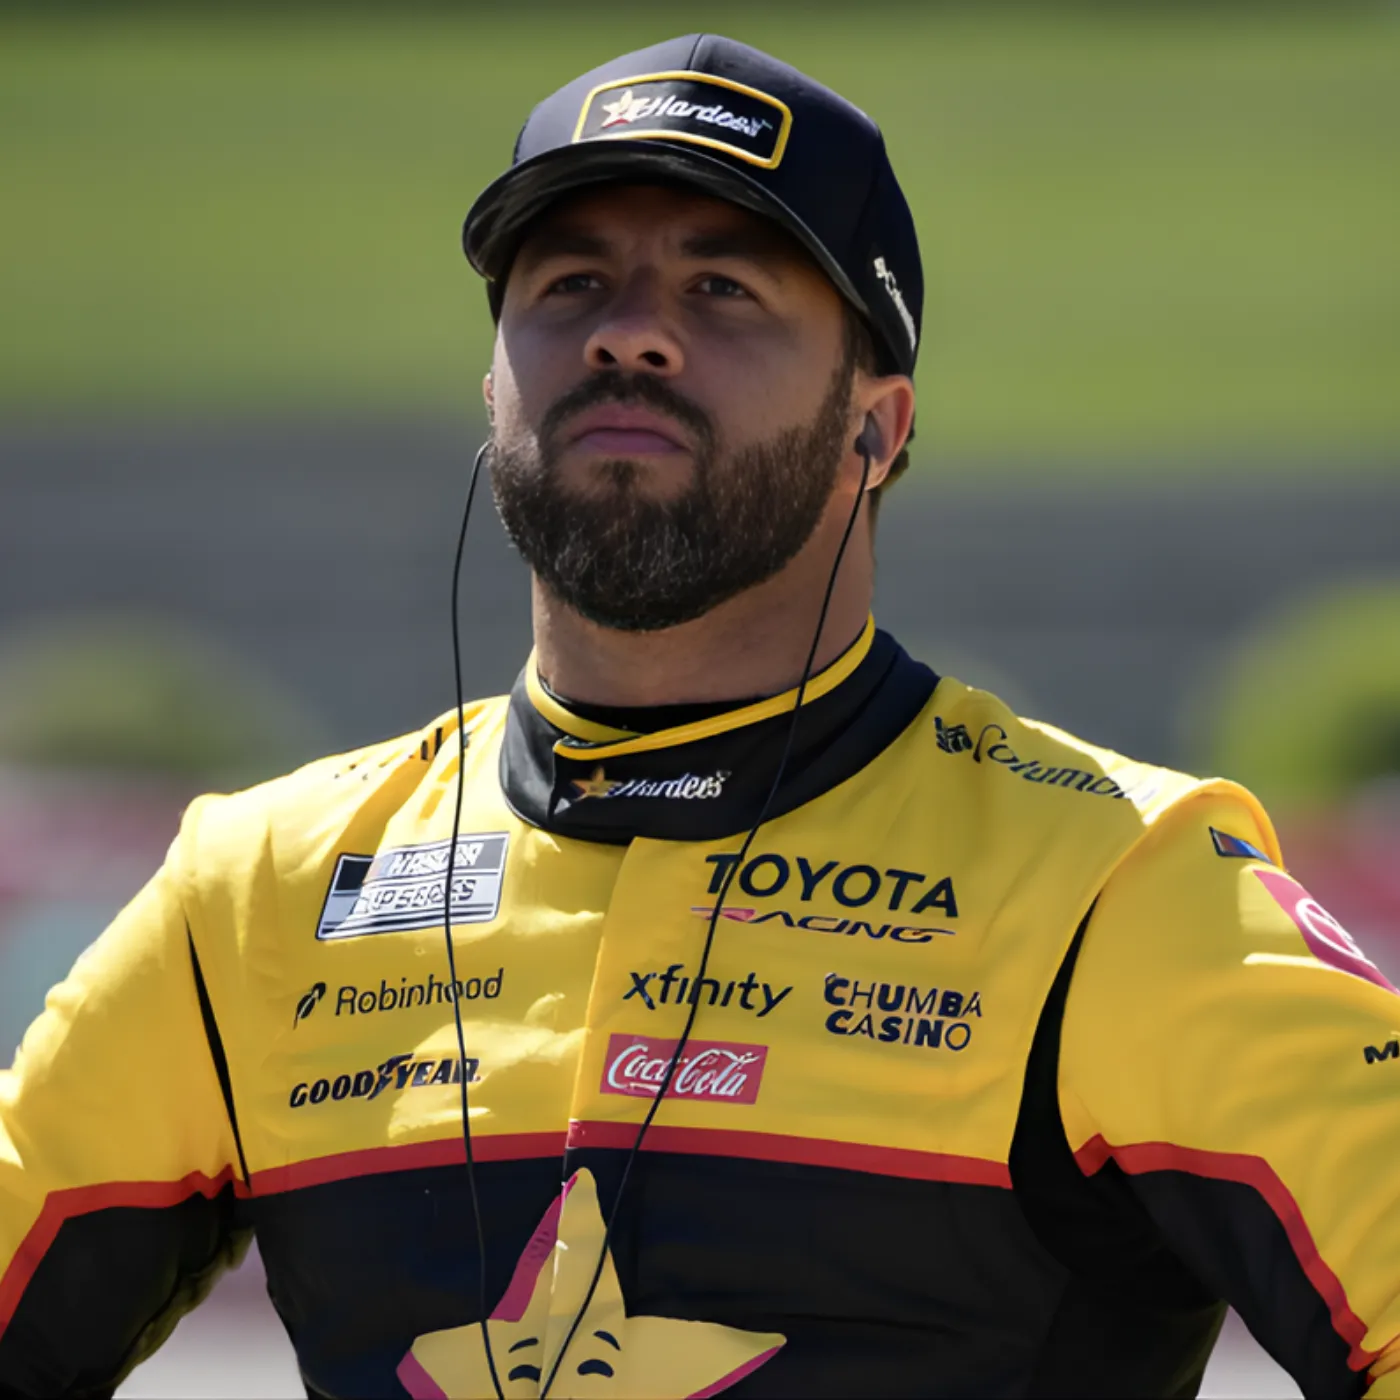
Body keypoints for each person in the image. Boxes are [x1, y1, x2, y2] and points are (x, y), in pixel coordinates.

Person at [1, 33, 1397, 1400]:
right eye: (571, 283)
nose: (627, 332)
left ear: (877, 428)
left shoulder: (1120, 888)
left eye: (722, 287)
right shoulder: (257, 892)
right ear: (492, 386)